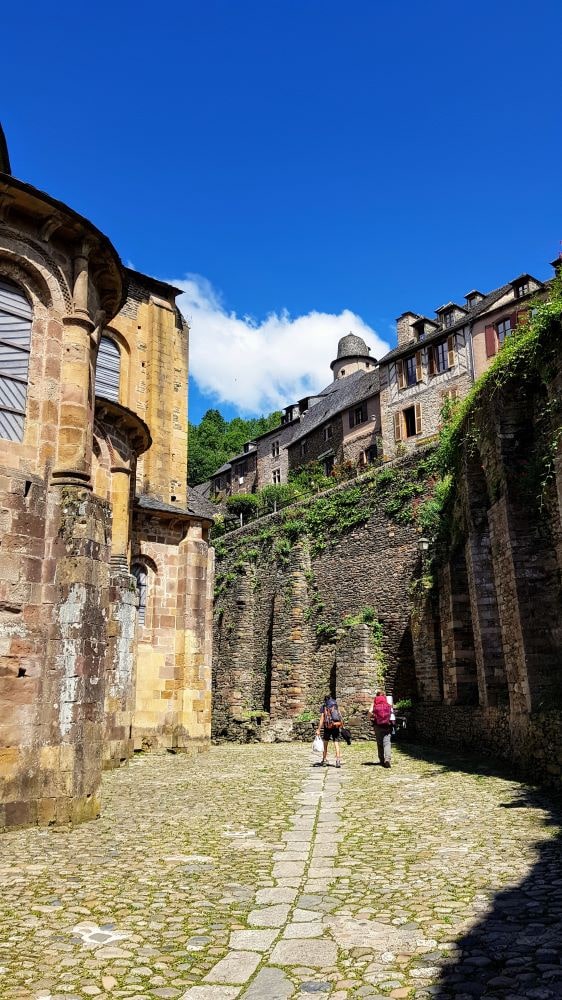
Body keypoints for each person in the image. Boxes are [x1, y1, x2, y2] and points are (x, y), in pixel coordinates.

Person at [316, 694, 343, 768]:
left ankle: (324, 760)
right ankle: (338, 760)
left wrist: (318, 729)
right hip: (335, 725)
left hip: (327, 727)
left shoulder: (324, 706)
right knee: (336, 743)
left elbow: (322, 719)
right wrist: (341, 724)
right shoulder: (335, 705)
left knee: (325, 743)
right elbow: (339, 715)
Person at [370, 688, 393, 768]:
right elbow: (391, 713)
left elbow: (369, 712)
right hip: (387, 725)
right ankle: (387, 759)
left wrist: (372, 716)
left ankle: (381, 760)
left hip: (377, 725)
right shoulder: (387, 702)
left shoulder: (375, 703)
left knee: (379, 743)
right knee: (387, 743)